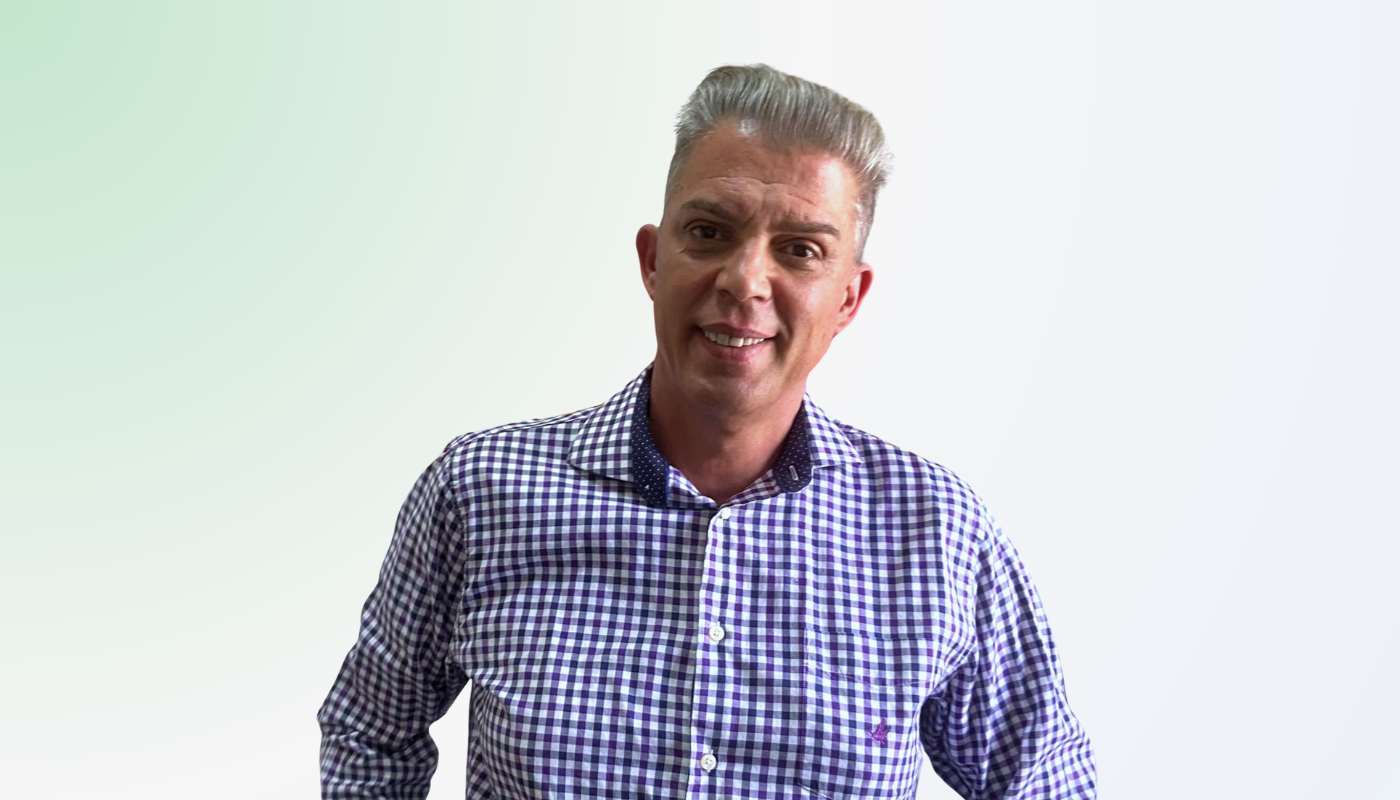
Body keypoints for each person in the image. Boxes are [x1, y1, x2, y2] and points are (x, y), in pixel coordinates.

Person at [317, 63, 1097, 799]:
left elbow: (1043, 781)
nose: (745, 281)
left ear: (849, 300)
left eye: (800, 250)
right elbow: (369, 733)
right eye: (710, 232)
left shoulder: (936, 533)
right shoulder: (479, 493)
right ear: (653, 261)